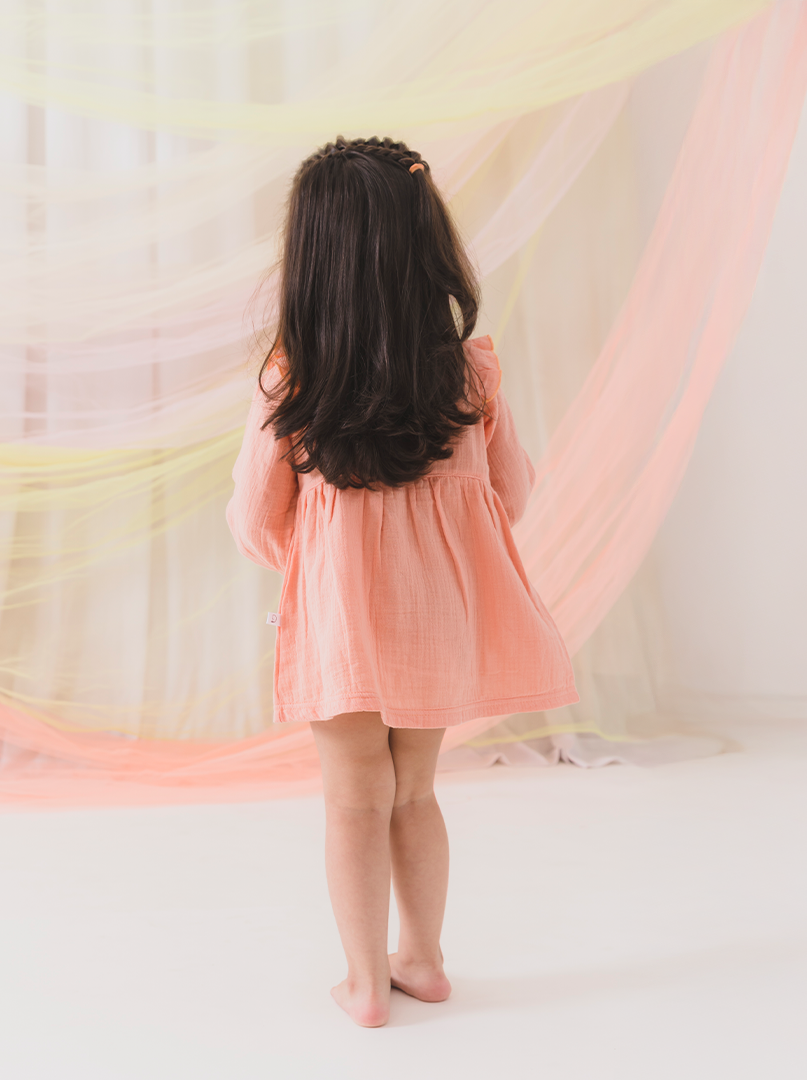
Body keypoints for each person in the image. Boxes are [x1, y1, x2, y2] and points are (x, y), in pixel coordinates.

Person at [226, 136, 578, 1027]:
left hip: (341, 626)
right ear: (426, 247)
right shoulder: (468, 375)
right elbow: (513, 495)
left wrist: (313, 566)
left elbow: (252, 518)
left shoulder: (294, 383)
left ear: (315, 260)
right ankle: (421, 959)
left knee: (353, 796)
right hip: (433, 621)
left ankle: (361, 982)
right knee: (414, 790)